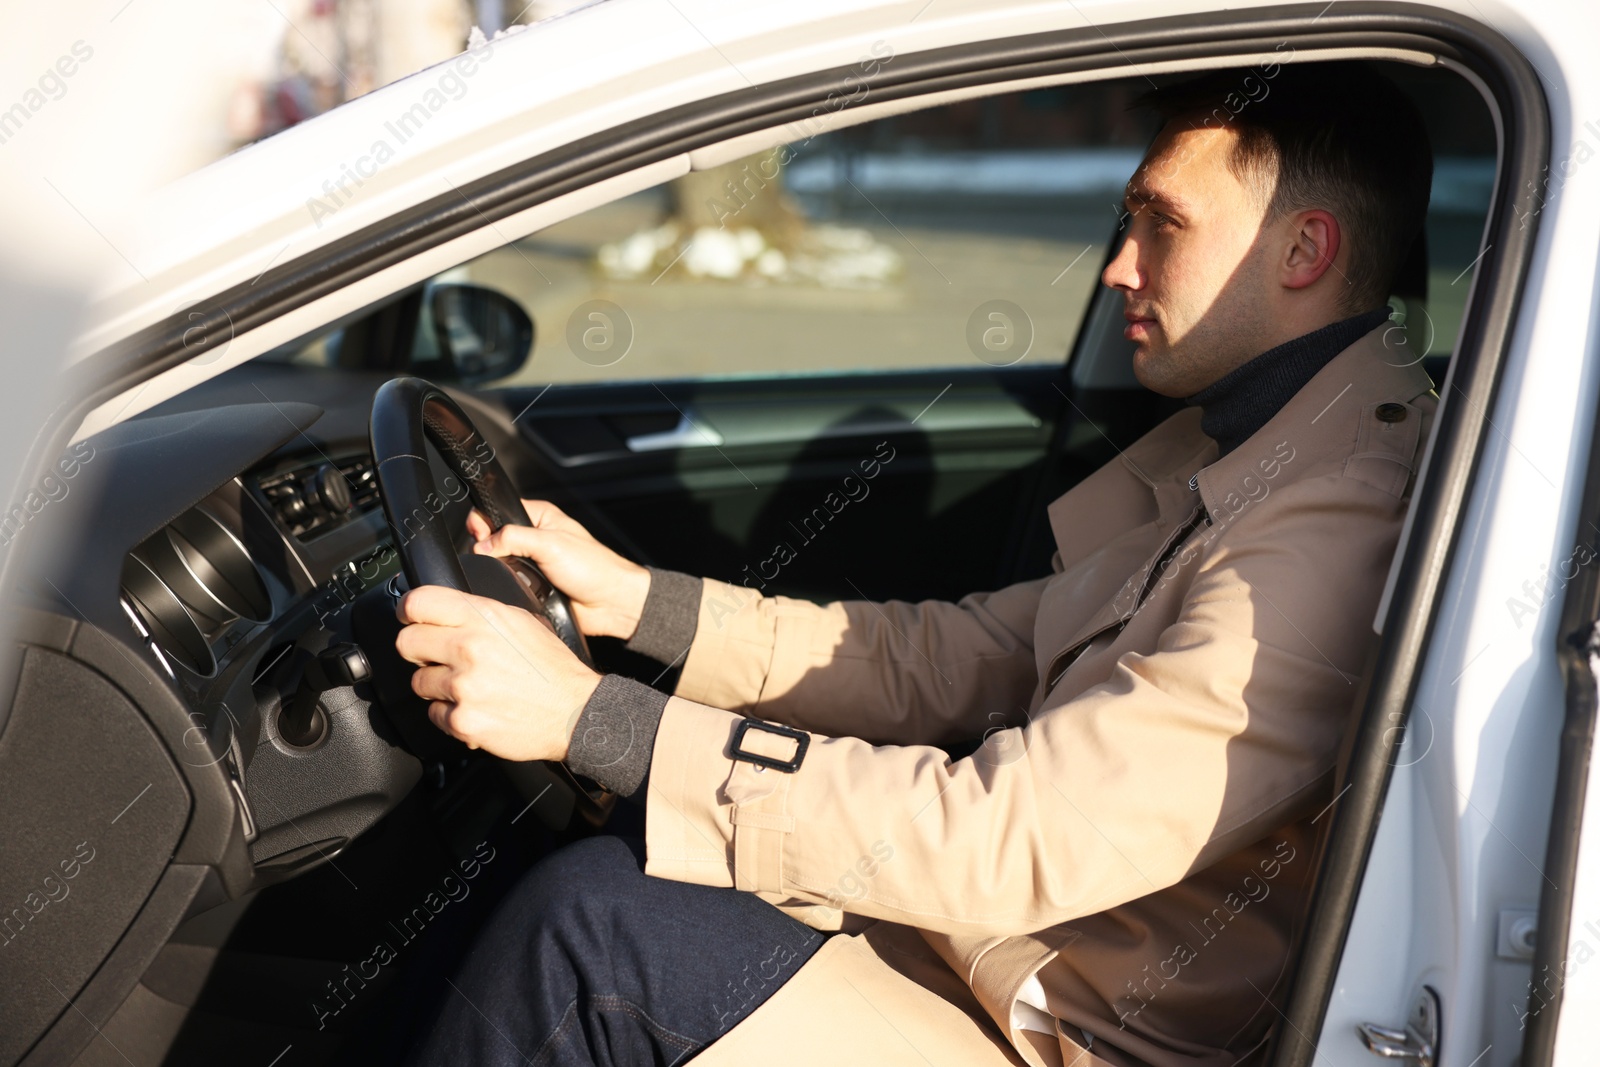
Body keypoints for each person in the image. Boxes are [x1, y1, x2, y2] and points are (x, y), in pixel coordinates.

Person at [399, 62, 1437, 1067]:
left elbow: (1022, 831)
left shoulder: (1332, 520)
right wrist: (640, 602)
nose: (1119, 264)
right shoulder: (1265, 446)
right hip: (997, 955)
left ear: (1302, 250)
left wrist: (594, 718)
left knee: (588, 932)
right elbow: (970, 652)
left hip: (1060, 1022)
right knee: (595, 855)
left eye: (1160, 222)